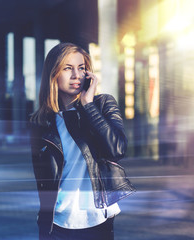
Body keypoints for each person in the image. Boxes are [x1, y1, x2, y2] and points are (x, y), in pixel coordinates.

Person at [30, 42, 135, 240]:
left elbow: (117, 149)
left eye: (81, 68)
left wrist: (88, 105)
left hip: (97, 220)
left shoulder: (103, 104)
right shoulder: (41, 122)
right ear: (54, 74)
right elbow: (42, 180)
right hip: (57, 223)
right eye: (67, 68)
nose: (76, 75)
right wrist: (44, 219)